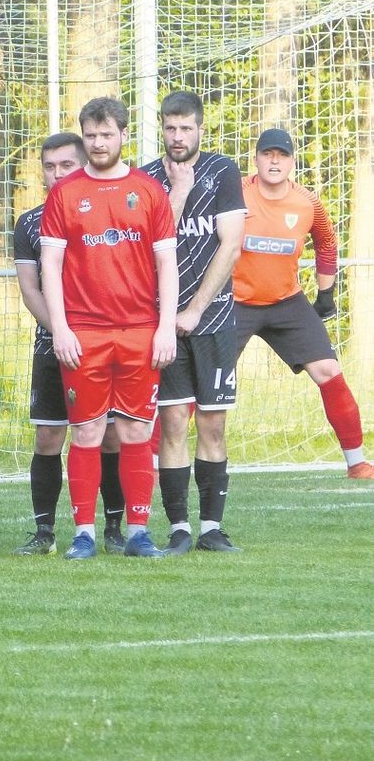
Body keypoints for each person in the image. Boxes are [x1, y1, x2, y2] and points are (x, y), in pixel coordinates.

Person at [39, 96, 179, 559]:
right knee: (87, 432)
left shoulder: (150, 191)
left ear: (124, 135)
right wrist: (60, 327)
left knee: (137, 431)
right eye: (91, 135)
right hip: (85, 333)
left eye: (106, 135)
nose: (98, 143)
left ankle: (138, 532)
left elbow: (167, 264)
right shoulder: (64, 193)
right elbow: (51, 264)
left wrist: (164, 329)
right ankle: (84, 533)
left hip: (140, 331)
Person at [234, 128, 374, 479]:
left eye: (282, 155)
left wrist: (325, 296)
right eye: (268, 154)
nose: (274, 161)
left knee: (328, 370)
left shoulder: (307, 202)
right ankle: (158, 464)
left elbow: (326, 242)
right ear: (256, 159)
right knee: (202, 378)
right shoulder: (236, 191)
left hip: (286, 301)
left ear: (293, 162)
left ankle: (357, 463)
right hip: (234, 301)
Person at [141, 91, 246, 554]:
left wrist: (197, 308)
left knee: (213, 425)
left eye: (186, 128)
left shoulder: (223, 171)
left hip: (214, 319)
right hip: (161, 324)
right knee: (172, 424)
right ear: (161, 128)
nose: (178, 136)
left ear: (201, 128)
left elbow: (231, 245)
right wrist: (177, 195)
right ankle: (179, 526)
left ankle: (210, 528)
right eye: (170, 128)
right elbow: (148, 245)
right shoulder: (146, 178)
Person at [13, 132, 127, 556]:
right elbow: (31, 289)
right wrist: (60, 332)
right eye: (49, 166)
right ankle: (44, 533)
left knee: (109, 435)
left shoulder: (108, 210)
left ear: (83, 165)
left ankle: (113, 528)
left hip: (105, 343)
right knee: (48, 438)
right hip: (53, 345)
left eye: (66, 165)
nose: (57, 173)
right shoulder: (29, 222)